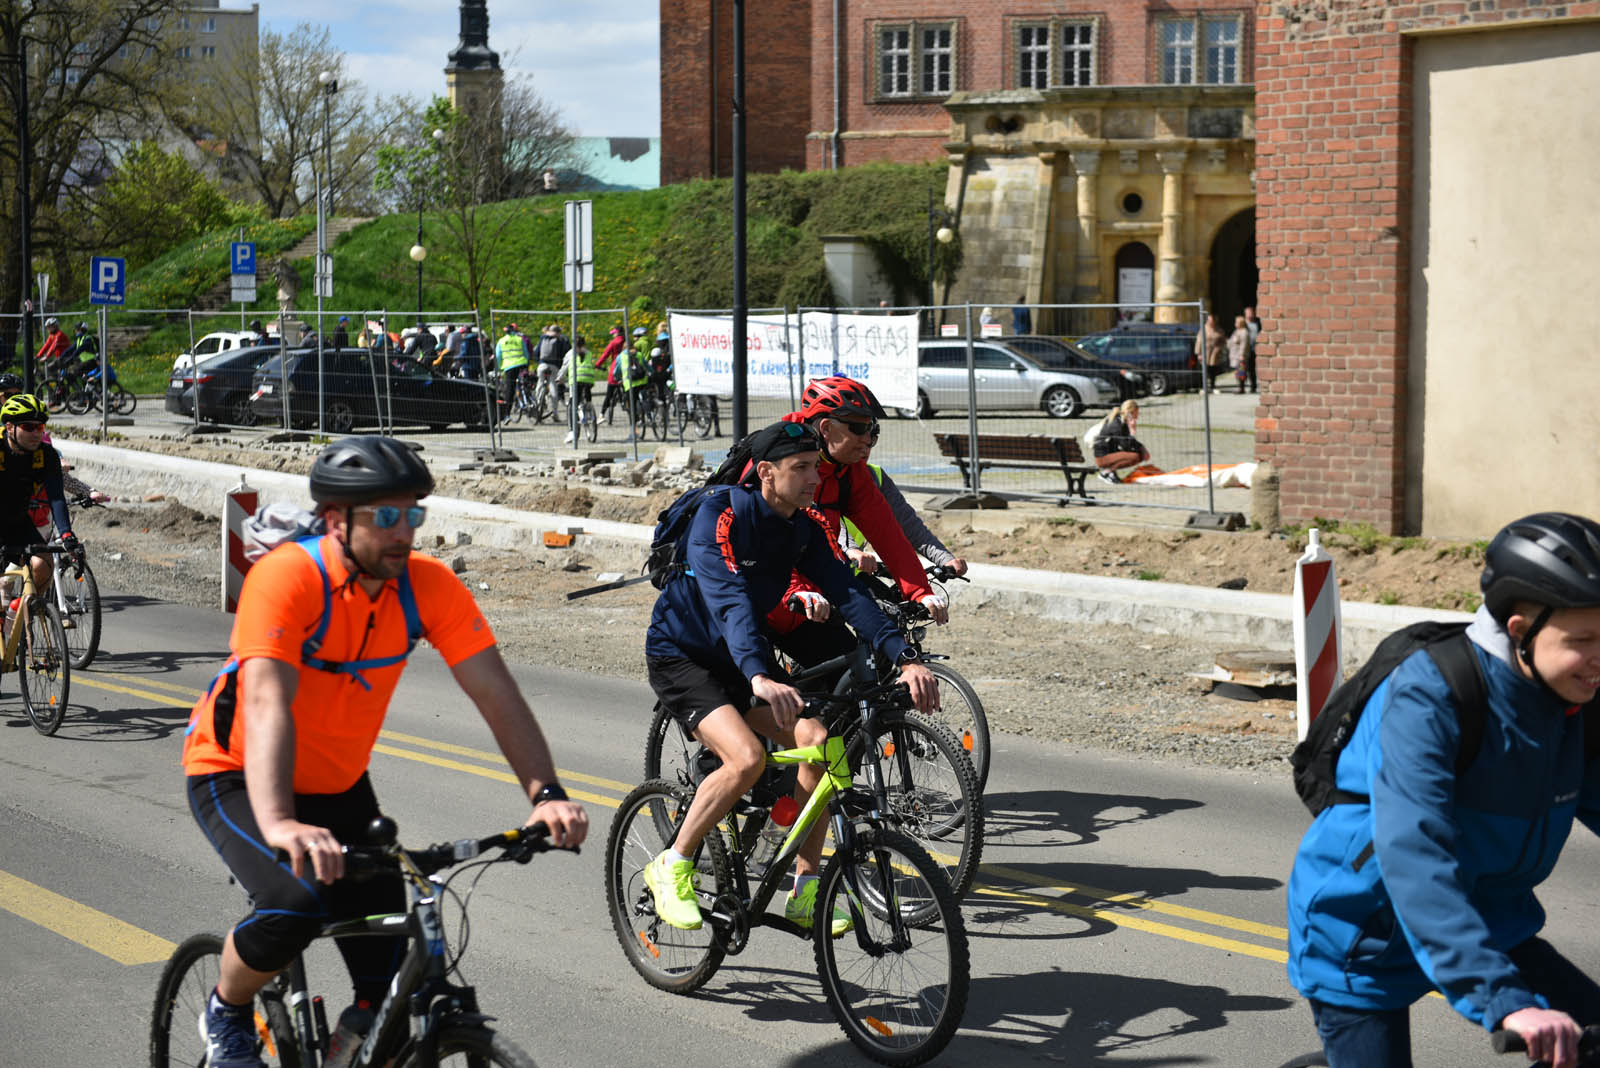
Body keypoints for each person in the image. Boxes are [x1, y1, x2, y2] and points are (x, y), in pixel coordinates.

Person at [183, 436, 588, 1068]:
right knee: (294, 905)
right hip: (236, 773)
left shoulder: (427, 587)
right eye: (388, 517)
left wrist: (546, 793)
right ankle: (228, 1011)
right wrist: (283, 823)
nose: (406, 533)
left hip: (340, 786)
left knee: (386, 994)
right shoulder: (287, 579)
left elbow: (495, 692)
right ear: (339, 520)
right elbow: (267, 705)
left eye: (414, 515)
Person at [1287, 512, 1600, 1068]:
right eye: (1585, 640)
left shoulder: (1577, 700)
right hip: (1365, 933)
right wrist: (1503, 1000)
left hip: (1487, 922)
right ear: (1520, 629)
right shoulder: (1432, 694)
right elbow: (1415, 852)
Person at [642, 420, 939, 933]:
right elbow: (729, 600)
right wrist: (760, 674)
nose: (812, 479)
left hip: (742, 663)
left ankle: (806, 887)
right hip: (683, 657)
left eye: (815, 468)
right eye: (800, 469)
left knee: (820, 745)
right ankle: (673, 863)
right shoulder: (720, 515)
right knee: (748, 758)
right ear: (765, 473)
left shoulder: (800, 527)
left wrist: (905, 657)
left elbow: (850, 596)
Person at [0, 394, 77, 597]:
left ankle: (27, 616)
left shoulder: (46, 455)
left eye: (40, 427)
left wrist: (67, 534)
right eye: (28, 427)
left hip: (18, 522)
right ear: (10, 428)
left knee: (44, 565)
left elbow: (56, 497)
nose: (36, 433)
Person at [1090, 400, 1149, 483]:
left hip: (1108, 453)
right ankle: (1106, 472)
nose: (1137, 417)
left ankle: (1110, 472)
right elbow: (1126, 446)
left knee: (1138, 454)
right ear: (1131, 412)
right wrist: (1132, 432)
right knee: (1136, 456)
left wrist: (1142, 447)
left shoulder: (1120, 420)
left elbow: (1126, 442)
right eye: (1136, 413)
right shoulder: (1117, 424)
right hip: (1102, 457)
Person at [495, 322, 529, 407]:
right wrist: (526, 362)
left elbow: (498, 356)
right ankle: (528, 398)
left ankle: (507, 411)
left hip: (509, 366)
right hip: (522, 364)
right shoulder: (519, 339)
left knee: (510, 387)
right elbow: (526, 353)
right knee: (524, 383)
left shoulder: (501, 341)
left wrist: (499, 367)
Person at [597, 325, 627, 422]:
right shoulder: (627, 341)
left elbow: (605, 355)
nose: (613, 335)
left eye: (614, 333)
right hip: (627, 367)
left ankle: (601, 414)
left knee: (609, 394)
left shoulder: (613, 343)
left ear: (617, 332)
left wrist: (597, 365)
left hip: (616, 369)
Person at [1195, 313, 1227, 391]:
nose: (1211, 322)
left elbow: (1223, 341)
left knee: (1213, 370)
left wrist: (1219, 348)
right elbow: (1199, 341)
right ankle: (1204, 387)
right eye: (1209, 320)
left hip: (1214, 353)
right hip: (1205, 352)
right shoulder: (1203, 329)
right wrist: (1198, 353)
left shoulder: (1219, 330)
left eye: (1212, 320)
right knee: (1204, 370)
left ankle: (1213, 386)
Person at [1227, 315, 1252, 394]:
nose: (1235, 323)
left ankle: (1241, 388)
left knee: (1241, 372)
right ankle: (1240, 387)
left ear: (1240, 323)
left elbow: (1244, 344)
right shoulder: (1237, 331)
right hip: (1235, 355)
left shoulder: (1244, 332)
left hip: (1240, 356)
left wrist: (1242, 355)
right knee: (1238, 372)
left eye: (1236, 322)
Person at [1242, 306, 1261, 393]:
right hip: (1244, 351)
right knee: (1243, 368)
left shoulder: (1258, 323)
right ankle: (1241, 387)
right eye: (1248, 313)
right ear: (1245, 314)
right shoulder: (1242, 324)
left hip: (1255, 350)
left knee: (1252, 369)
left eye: (1251, 313)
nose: (1250, 314)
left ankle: (1253, 387)